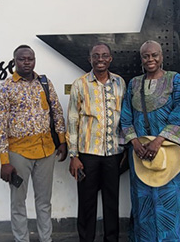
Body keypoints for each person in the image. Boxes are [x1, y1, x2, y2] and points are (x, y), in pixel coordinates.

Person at [0, 45, 68, 242]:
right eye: (22, 59)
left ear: (35, 60)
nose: (26, 62)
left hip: (46, 151)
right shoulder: (4, 89)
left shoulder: (44, 83)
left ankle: (46, 238)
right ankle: (21, 239)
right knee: (18, 202)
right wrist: (4, 161)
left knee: (44, 201)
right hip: (18, 153)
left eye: (30, 58)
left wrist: (62, 140)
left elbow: (57, 112)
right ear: (14, 61)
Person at [120, 40, 180, 241]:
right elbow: (125, 116)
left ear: (162, 56)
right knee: (143, 201)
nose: (150, 59)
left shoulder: (174, 79)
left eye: (154, 55)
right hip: (140, 154)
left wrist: (158, 141)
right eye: (146, 56)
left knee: (171, 200)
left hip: (170, 154)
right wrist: (135, 144)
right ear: (141, 59)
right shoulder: (134, 83)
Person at [67, 43, 126, 242]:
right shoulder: (79, 84)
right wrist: (74, 156)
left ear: (110, 59)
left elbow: (124, 118)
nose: (100, 59)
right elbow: (73, 120)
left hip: (113, 153)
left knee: (112, 201)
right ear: (89, 59)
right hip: (87, 154)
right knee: (86, 202)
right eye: (96, 56)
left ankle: (112, 239)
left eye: (104, 55)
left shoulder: (120, 83)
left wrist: (125, 147)